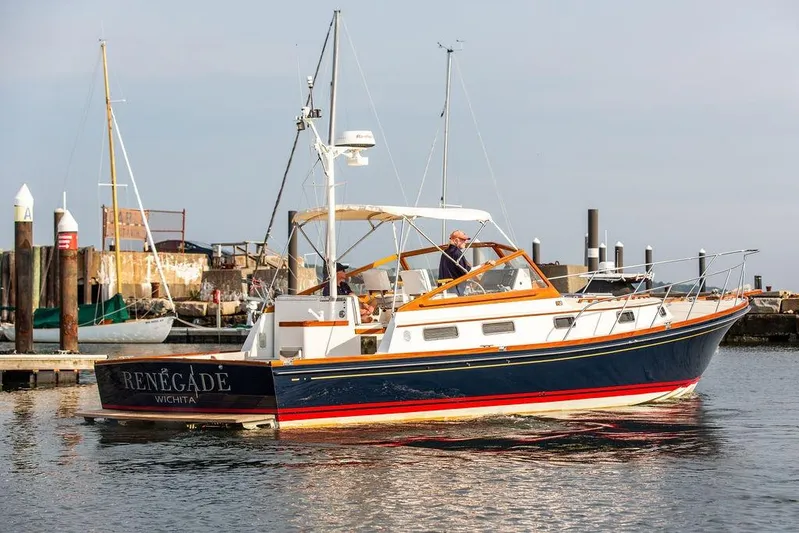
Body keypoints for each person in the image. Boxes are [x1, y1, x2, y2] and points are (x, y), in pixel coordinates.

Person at [438, 229, 472, 294]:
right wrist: (484, 265)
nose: (466, 242)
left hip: (444, 291)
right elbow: (468, 271)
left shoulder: (445, 252)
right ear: (456, 240)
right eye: (463, 240)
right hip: (455, 292)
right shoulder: (457, 253)